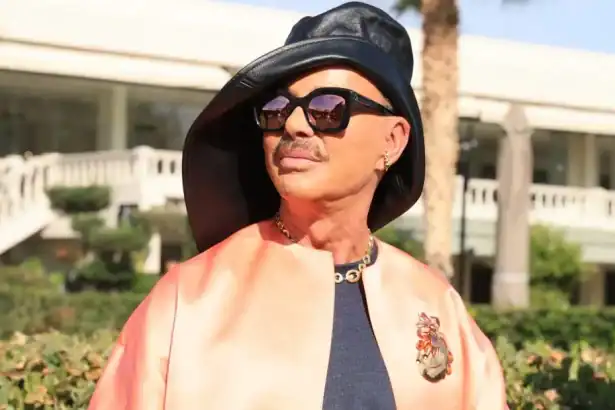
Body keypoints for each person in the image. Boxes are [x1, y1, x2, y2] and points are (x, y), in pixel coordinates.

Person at [88, 2, 508, 409]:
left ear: (393, 140)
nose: (293, 124)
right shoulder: (190, 299)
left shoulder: (436, 305)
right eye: (277, 109)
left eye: (328, 108)